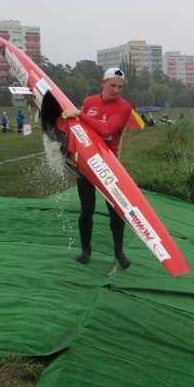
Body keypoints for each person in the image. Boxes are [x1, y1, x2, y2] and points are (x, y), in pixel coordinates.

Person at [61, 67, 132, 269]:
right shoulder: (89, 102)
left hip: (109, 166)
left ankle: (119, 251)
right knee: (87, 210)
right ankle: (85, 250)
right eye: (112, 85)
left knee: (116, 211)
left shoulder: (123, 107)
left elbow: (106, 129)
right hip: (86, 163)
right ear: (103, 83)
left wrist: (80, 115)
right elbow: (80, 130)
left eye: (120, 87)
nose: (116, 90)